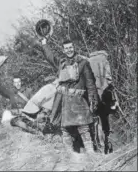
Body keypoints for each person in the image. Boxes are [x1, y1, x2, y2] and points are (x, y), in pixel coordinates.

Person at [35, 19, 99, 154]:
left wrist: (93, 99)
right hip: (65, 101)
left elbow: (90, 83)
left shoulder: (83, 63)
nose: (69, 50)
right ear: (63, 50)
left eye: (71, 48)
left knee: (84, 128)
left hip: (80, 100)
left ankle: (91, 154)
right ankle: (70, 157)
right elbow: (50, 56)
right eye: (66, 48)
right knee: (65, 129)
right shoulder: (61, 63)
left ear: (74, 48)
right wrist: (44, 42)